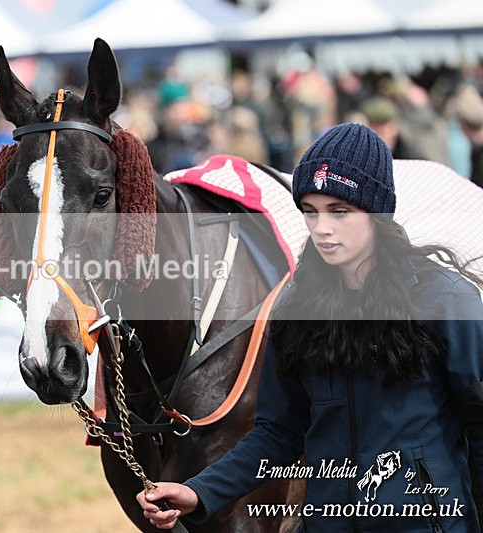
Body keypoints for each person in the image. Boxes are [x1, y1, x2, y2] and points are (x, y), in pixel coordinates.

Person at [137, 123, 483, 531]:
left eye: (339, 211)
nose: (322, 227)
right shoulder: (295, 307)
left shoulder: (447, 300)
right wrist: (200, 492)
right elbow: (278, 434)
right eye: (310, 211)